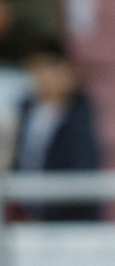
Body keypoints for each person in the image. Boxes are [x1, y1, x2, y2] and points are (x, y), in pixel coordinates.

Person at [10, 40, 101, 222]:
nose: (42, 77)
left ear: (66, 71)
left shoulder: (79, 113)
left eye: (48, 68)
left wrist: (46, 215)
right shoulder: (25, 110)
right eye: (36, 69)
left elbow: (82, 167)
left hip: (65, 222)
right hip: (24, 219)